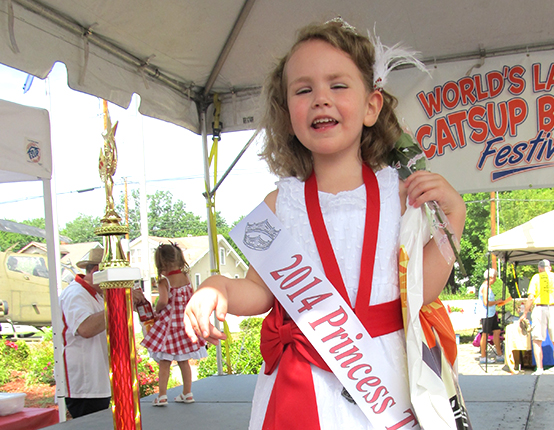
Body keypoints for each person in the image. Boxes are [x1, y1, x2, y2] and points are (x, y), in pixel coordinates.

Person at [183, 20, 466, 429]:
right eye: (303, 90)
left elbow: (422, 289)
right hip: (305, 385)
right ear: (288, 112)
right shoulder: (279, 203)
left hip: (386, 380)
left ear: (372, 106)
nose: (321, 100)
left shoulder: (401, 192)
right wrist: (218, 287)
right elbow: (260, 291)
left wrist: (453, 217)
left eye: (337, 86)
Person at [141, 243, 207, 406]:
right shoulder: (186, 278)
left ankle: (162, 395)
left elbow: (163, 301)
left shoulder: (165, 282)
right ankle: (187, 392)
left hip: (169, 327)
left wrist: (157, 308)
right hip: (184, 325)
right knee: (184, 361)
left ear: (161, 264)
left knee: (165, 362)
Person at [59, 247, 111, 418]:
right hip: (85, 385)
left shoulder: (97, 295)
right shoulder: (76, 293)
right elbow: (86, 328)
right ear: (97, 271)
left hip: (97, 381)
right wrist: (118, 303)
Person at [520, 259, 554, 375]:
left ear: (539, 269)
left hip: (539, 308)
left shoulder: (536, 277)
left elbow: (531, 297)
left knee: (537, 340)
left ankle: (539, 368)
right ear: (550, 268)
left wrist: (525, 313)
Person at [478, 268, 511, 364]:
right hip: (486, 314)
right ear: (490, 277)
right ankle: (483, 356)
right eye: (494, 278)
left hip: (492, 313)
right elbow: (486, 302)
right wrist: (497, 302)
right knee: (485, 334)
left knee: (497, 331)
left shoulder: (489, 287)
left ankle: (499, 353)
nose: (495, 280)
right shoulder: (485, 287)